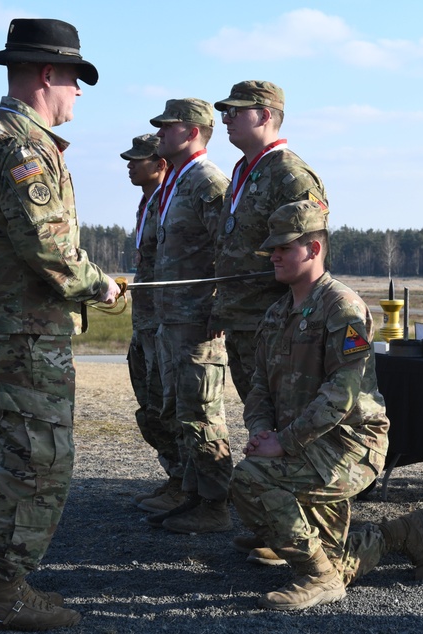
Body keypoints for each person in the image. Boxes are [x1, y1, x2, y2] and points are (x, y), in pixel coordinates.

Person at [0, 18, 120, 631]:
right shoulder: (22, 146)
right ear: (48, 75)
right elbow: (47, 247)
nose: (76, 95)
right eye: (74, 80)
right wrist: (101, 283)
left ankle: (1, 580)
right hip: (18, 330)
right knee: (38, 458)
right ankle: (5, 592)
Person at [229, 201, 423, 610]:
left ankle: (316, 577)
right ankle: (400, 534)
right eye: (271, 249)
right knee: (333, 557)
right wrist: (261, 432)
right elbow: (259, 385)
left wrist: (283, 443)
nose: (273, 255)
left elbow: (341, 394)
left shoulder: (342, 308)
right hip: (306, 444)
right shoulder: (276, 314)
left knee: (252, 479)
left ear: (313, 249)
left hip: (349, 445)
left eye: (284, 247)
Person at [142, 98, 233, 534]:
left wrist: (220, 305)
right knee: (180, 411)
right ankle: (194, 496)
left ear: (193, 131)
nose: (159, 132)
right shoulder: (178, 181)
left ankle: (215, 504)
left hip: (197, 322)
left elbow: (227, 249)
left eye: (168, 126)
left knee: (202, 412)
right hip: (172, 319)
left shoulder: (207, 182)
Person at [210, 81, 328, 401]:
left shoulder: (292, 175)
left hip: (276, 323)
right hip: (242, 322)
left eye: (235, 111)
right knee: (259, 417)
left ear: (264, 115)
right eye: (224, 112)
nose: (225, 119)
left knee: (284, 418)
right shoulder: (242, 172)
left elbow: (309, 258)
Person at [119, 134, 184, 509]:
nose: (130, 165)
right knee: (151, 404)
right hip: (145, 321)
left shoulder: (171, 202)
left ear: (160, 164)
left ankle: (187, 483)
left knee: (170, 405)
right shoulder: (147, 202)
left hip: (165, 322)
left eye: (137, 160)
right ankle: (175, 475)